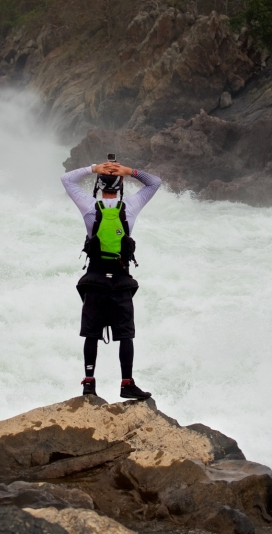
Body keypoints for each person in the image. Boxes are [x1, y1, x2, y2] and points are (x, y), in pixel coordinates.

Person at [61, 160, 161, 400]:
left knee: (91, 334)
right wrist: (129, 171)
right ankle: (126, 383)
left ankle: (88, 382)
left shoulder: (88, 206)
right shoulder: (131, 206)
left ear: (99, 185)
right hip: (121, 281)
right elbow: (154, 182)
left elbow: (66, 179)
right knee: (125, 335)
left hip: (95, 280)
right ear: (120, 186)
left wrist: (94, 167)